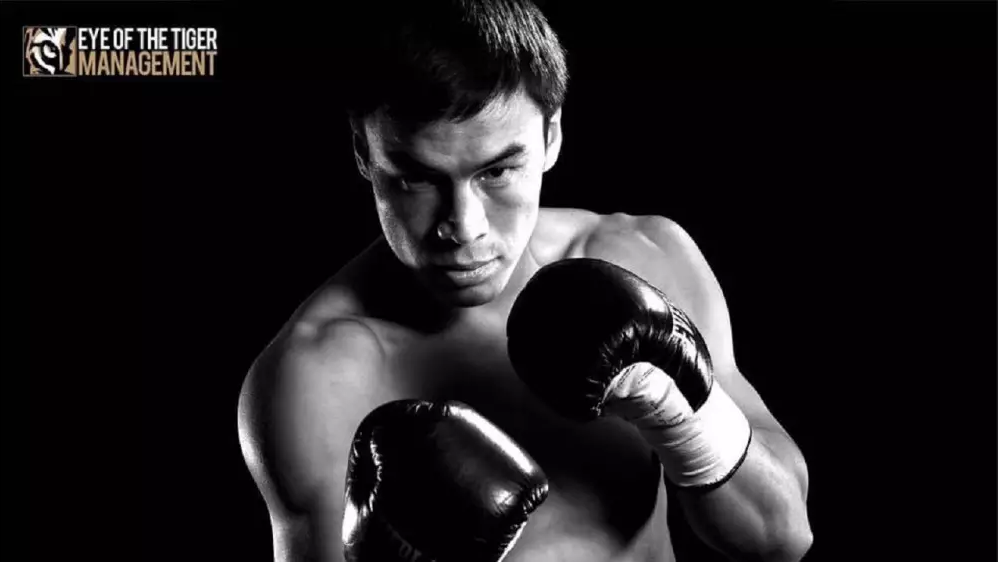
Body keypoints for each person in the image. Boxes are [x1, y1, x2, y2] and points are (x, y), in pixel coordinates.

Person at [237, 1, 814, 560]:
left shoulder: (645, 257)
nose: (463, 227)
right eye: (417, 179)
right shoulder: (317, 380)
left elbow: (781, 537)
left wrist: (676, 408)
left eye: (497, 171)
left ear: (551, 137)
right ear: (364, 153)